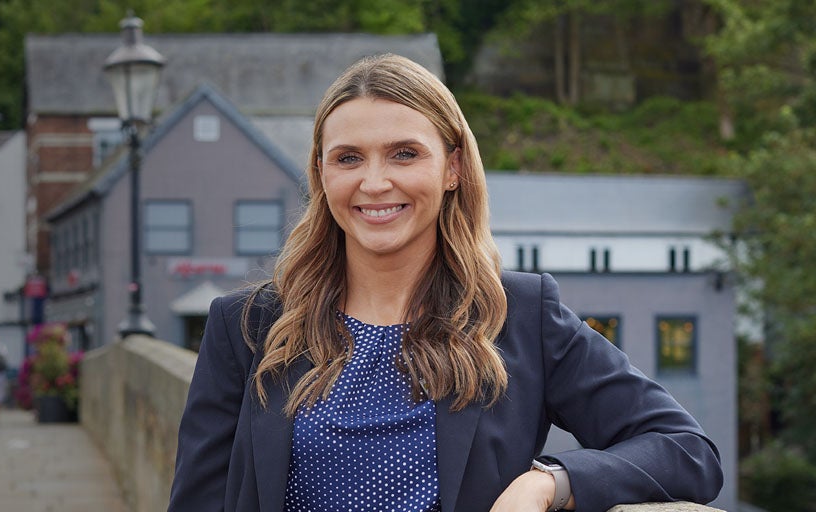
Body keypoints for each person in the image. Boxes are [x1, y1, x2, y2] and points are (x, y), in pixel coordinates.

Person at [168, 54, 722, 512]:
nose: (375, 182)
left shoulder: (521, 315)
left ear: (452, 168)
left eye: (405, 154)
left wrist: (550, 481)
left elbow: (688, 451)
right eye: (348, 158)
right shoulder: (247, 326)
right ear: (321, 174)